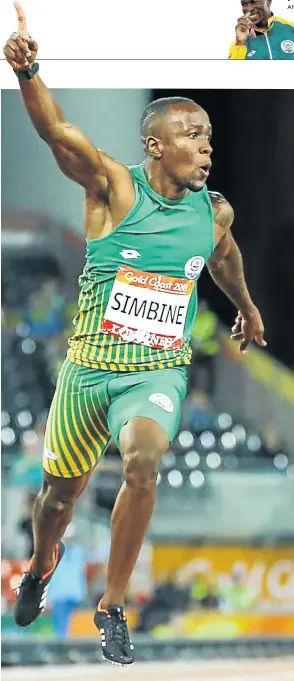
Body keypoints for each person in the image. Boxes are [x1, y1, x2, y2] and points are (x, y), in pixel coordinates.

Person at [4, 3, 267, 667]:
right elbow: (59, 133)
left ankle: (112, 604)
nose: (208, 146)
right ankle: (39, 566)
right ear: (156, 145)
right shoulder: (113, 188)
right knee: (56, 499)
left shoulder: (214, 210)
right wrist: (29, 73)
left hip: (154, 371)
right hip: (88, 369)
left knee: (144, 457)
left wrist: (246, 305)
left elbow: (225, 253)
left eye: (210, 135)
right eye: (194, 136)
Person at [229, 0, 294, 60]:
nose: (249, 9)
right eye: (244, 5)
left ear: (268, 2)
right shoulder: (239, 42)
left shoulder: (291, 28)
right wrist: (240, 43)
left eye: (254, 2)